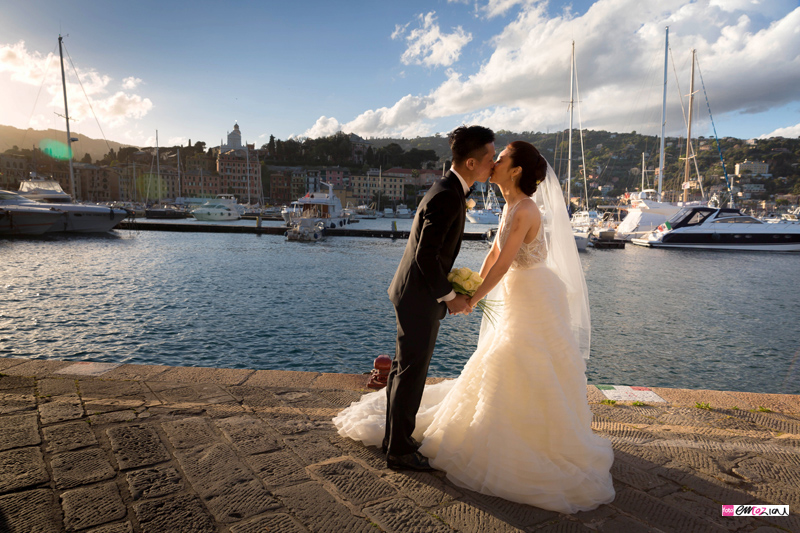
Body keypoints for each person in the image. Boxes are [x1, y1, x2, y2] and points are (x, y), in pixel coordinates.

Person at [333, 141, 615, 514]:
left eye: (501, 159)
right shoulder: (510, 206)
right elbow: (494, 254)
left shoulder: (526, 209)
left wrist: (474, 296)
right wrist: (469, 286)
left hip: (531, 294)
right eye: (491, 157)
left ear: (515, 171)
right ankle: (413, 438)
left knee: (523, 358)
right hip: (514, 292)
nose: (493, 163)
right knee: (503, 357)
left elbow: (506, 261)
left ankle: (535, 438)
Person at [381, 125, 496, 472]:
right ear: (473, 162)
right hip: (419, 297)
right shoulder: (448, 195)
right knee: (411, 375)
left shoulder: (446, 189)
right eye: (491, 158)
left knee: (403, 371)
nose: (495, 163)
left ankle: (395, 440)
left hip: (414, 293)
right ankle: (399, 451)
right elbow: (426, 256)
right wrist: (450, 297)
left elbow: (429, 254)